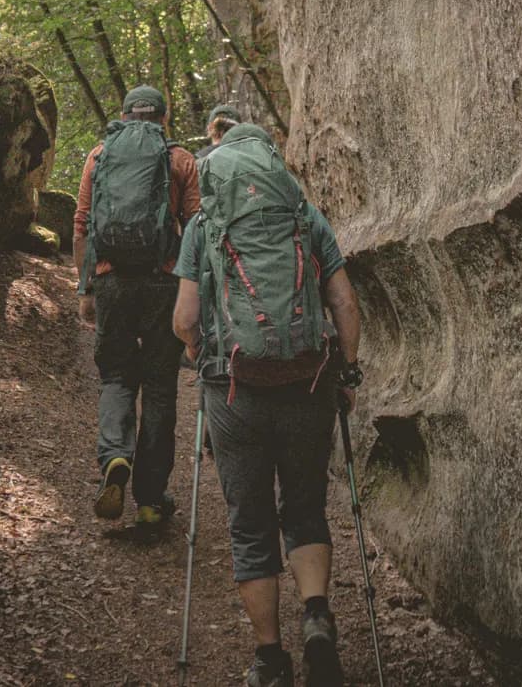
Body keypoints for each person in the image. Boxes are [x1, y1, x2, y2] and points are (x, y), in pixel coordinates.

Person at [172, 122, 363, 687]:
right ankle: (316, 617)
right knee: (305, 509)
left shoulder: (203, 226)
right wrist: (346, 374)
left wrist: (199, 354)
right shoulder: (306, 218)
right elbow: (345, 303)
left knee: (249, 525)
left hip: (235, 393)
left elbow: (183, 319)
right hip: (308, 387)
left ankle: (270, 661)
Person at [73, 85, 201, 529]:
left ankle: (114, 457)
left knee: (115, 376)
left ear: (124, 116)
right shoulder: (181, 160)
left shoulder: (99, 155)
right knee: (161, 387)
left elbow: (82, 225)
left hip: (112, 283)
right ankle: (149, 499)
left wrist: (86, 288)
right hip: (164, 282)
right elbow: (197, 226)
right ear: (163, 119)